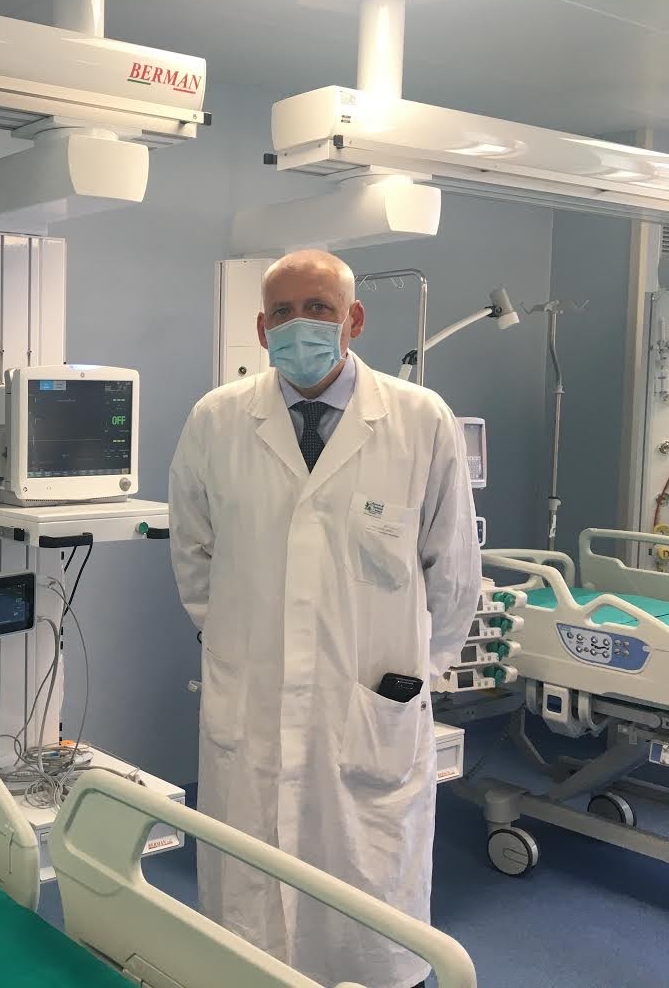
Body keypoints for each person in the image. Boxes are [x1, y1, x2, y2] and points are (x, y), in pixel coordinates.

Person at [168, 249, 480, 988]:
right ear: (260, 328)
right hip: (252, 690)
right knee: (248, 922)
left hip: (370, 704)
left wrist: (417, 673)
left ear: (353, 319)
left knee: (365, 914)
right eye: (281, 312)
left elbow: (453, 572)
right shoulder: (217, 419)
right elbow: (192, 551)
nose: (298, 325)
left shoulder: (418, 420)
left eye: (318, 308)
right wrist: (234, 640)